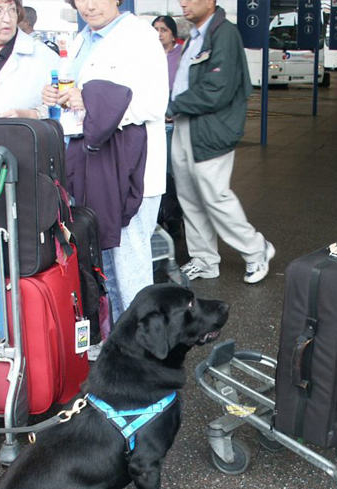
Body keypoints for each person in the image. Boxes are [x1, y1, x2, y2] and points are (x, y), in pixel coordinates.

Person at [41, 0, 168, 323]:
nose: (89, 5)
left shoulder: (139, 36)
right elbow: (78, 96)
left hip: (130, 169)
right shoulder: (83, 39)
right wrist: (59, 96)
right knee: (102, 262)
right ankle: (115, 341)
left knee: (130, 265)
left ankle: (143, 348)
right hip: (90, 167)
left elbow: (153, 103)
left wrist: (92, 98)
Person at [168, 0, 274, 284]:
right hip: (185, 123)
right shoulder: (195, 35)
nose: (183, 3)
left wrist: (172, 105)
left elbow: (217, 88)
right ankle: (204, 259)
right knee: (189, 196)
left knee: (215, 196)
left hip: (209, 127)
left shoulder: (224, 34)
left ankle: (256, 250)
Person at [152, 14, 184, 237]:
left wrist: (174, 112)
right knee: (157, 174)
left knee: (172, 176)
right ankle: (160, 217)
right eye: (155, 29)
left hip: (173, 124)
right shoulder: (147, 55)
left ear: (173, 34)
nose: (159, 34)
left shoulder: (181, 56)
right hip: (153, 124)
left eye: (163, 29)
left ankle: (174, 218)